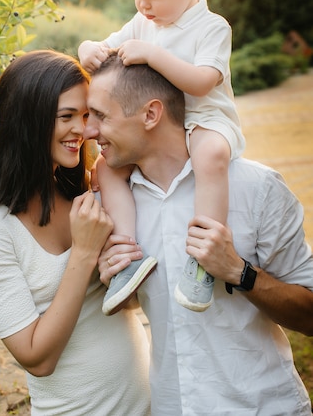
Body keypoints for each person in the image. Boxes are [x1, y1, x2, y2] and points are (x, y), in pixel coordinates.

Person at [84, 53, 313, 415]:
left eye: (100, 116)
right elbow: (136, 306)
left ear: (150, 114)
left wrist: (240, 272)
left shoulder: (256, 188)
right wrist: (115, 275)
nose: (88, 131)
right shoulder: (109, 207)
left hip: (265, 407)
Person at [0, 50, 151, 416]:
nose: (85, 130)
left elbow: (128, 301)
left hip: (148, 401)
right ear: (27, 121)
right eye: (67, 117)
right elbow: (37, 358)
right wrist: (83, 253)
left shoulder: (82, 192)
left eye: (86, 115)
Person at [78, 0, 245, 315]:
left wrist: (154, 54)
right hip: (164, 127)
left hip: (206, 119)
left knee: (210, 157)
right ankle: (128, 254)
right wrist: (88, 47)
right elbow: (107, 47)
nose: (143, 5)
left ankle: (203, 260)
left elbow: (204, 81)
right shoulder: (142, 21)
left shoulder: (211, 27)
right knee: (107, 168)